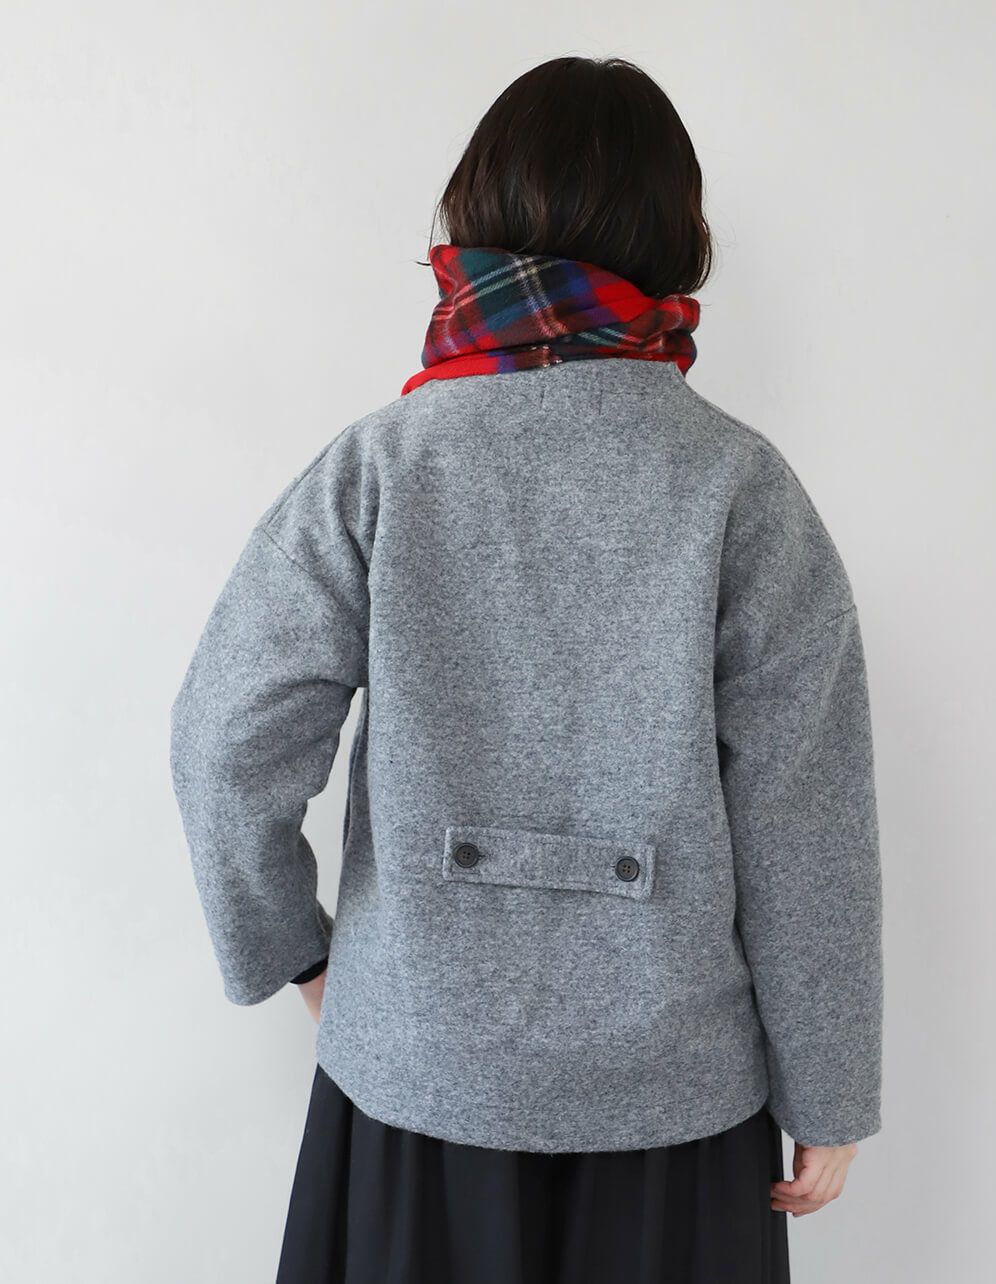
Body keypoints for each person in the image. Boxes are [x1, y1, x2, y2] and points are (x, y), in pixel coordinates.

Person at [169, 54, 883, 1284]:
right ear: (674, 241)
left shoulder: (380, 466)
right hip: (671, 1110)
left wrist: (301, 957)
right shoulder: (741, 488)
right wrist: (829, 1083)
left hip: (415, 1081)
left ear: (476, 214)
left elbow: (224, 742)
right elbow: (802, 817)